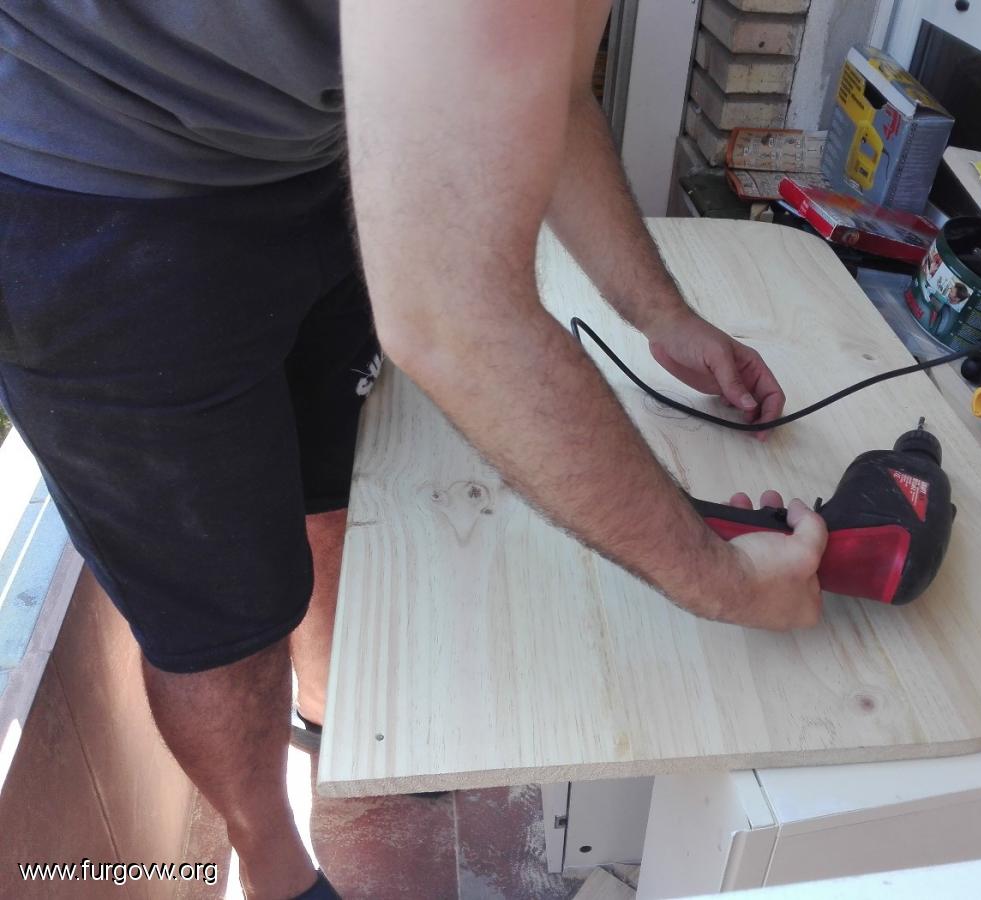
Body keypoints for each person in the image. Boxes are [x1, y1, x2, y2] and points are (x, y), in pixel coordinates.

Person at [0, 3, 827, 897]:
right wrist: (719, 581)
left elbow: (549, 87)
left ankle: (333, 716)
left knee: (333, 482)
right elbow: (452, 320)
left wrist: (661, 313)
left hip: (314, 154)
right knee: (218, 616)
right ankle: (270, 859)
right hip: (93, 183)